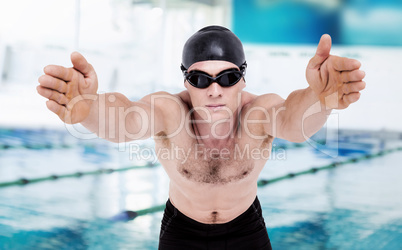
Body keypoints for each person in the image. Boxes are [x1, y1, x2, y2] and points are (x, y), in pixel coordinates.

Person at [37, 25, 366, 249]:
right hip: (182, 232)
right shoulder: (170, 111)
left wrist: (318, 97)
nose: (214, 90)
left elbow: (294, 122)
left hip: (246, 230)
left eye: (227, 77)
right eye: (199, 79)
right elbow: (125, 121)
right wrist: (89, 108)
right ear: (185, 81)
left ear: (243, 80)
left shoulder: (258, 113)